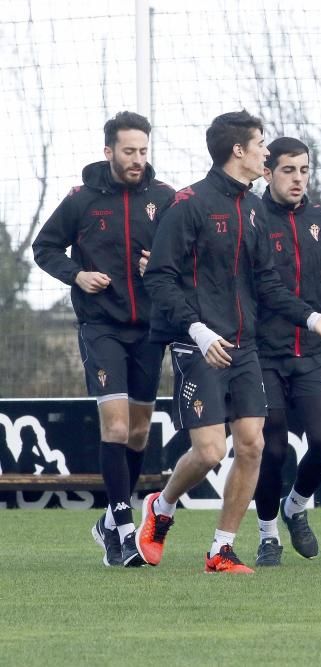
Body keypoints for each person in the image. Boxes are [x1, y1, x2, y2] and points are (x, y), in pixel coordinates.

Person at [138, 111, 321, 574]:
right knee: (212, 451)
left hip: (244, 346)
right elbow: (159, 278)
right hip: (199, 345)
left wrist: (313, 318)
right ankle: (162, 507)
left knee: (252, 445)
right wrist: (198, 329)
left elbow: (269, 285)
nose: (266, 154)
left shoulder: (253, 210)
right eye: (260, 145)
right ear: (239, 151)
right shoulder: (189, 203)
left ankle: (221, 549)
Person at [33, 111, 176, 567]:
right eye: (129, 151)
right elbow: (44, 248)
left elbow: (184, 260)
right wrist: (77, 275)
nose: (137, 160)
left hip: (150, 331)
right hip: (102, 327)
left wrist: (159, 266)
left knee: (136, 433)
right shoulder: (81, 200)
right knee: (114, 426)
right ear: (109, 151)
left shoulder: (166, 199)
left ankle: (107, 524)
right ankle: (124, 529)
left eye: (143, 151)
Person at [251, 137, 321, 566]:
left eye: (304, 170)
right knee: (270, 450)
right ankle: (267, 533)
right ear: (268, 172)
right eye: (289, 170)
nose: (297, 178)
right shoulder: (252, 218)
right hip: (262, 354)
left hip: (311, 353)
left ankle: (297, 505)